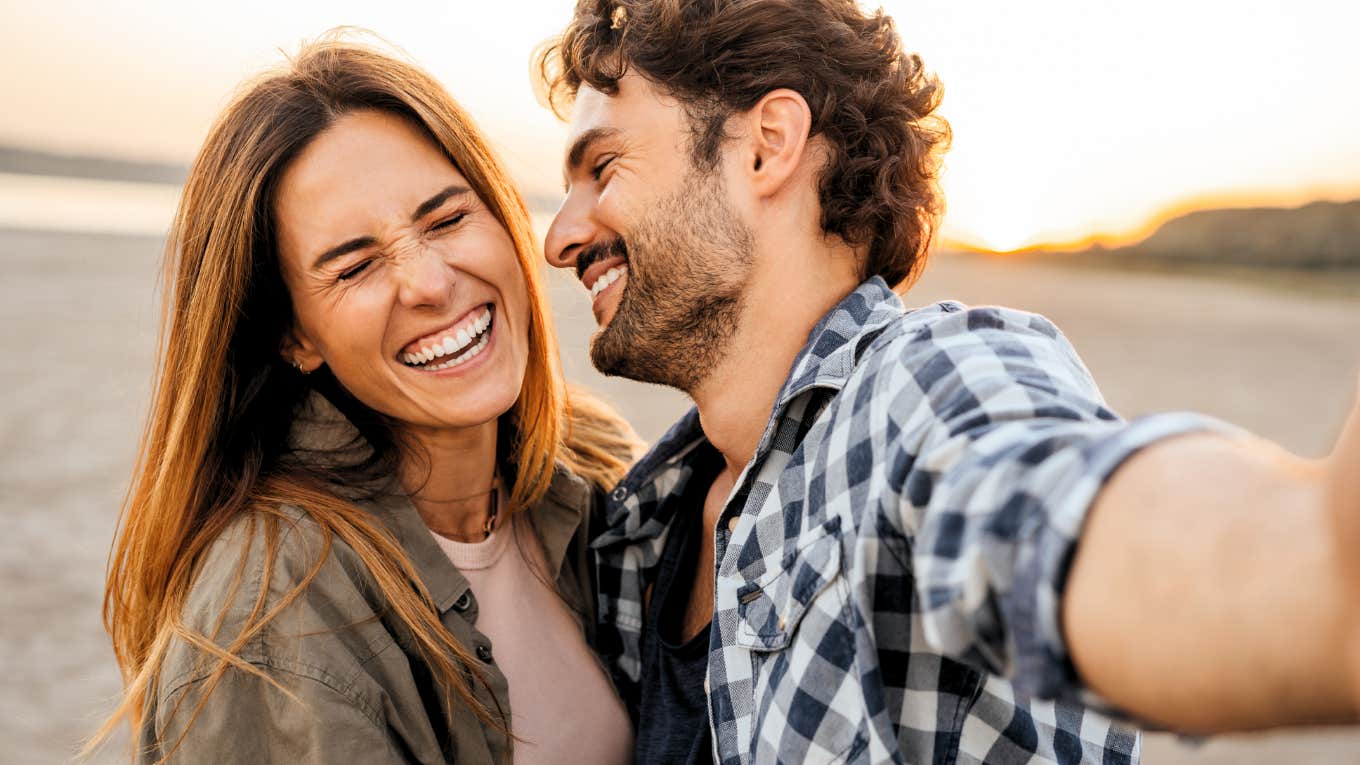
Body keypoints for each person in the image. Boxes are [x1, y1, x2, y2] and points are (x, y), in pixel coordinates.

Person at [536, 1, 1360, 763]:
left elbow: (1044, 503)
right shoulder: (638, 532)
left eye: (603, 167)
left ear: (766, 144)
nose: (560, 238)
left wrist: (1308, 572)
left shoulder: (917, 388)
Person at [94, 37, 639, 764]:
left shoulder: (591, 467)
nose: (430, 283)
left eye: (446, 220)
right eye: (355, 266)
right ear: (293, 336)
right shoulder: (270, 622)